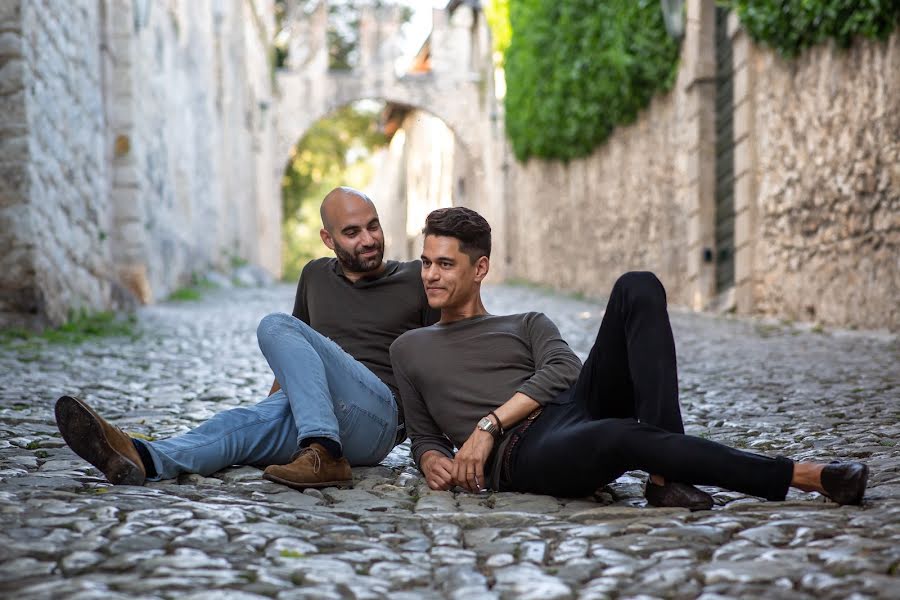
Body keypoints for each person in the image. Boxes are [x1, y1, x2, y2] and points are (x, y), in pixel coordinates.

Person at [390, 207, 869, 509]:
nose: (430, 274)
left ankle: (666, 478)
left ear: (480, 269)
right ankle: (805, 476)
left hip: (566, 408)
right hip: (522, 455)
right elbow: (424, 434)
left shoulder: (527, 322)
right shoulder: (409, 348)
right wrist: (434, 458)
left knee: (638, 284)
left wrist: (487, 424)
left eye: (445, 264)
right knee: (620, 435)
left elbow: (563, 372)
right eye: (427, 262)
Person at [55, 187, 439, 490]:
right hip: (315, 414)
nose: (368, 239)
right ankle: (141, 457)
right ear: (328, 238)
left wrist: (435, 447)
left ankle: (327, 453)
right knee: (235, 426)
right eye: (352, 232)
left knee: (274, 325)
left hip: (377, 418)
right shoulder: (315, 276)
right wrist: (268, 412)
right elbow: (294, 359)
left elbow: (442, 360)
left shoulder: (416, 279)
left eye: (373, 226)